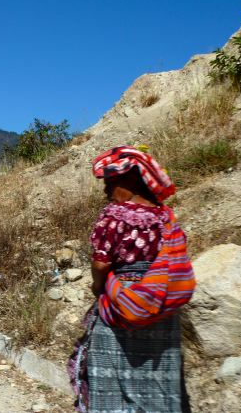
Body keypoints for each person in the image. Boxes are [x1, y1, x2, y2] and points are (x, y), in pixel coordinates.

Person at [69, 146, 193, 413]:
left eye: (111, 183)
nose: (106, 191)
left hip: (122, 302)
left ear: (131, 183)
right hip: (159, 304)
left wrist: (97, 286)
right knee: (156, 376)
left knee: (111, 374)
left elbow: (101, 263)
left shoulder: (114, 216)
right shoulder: (166, 218)